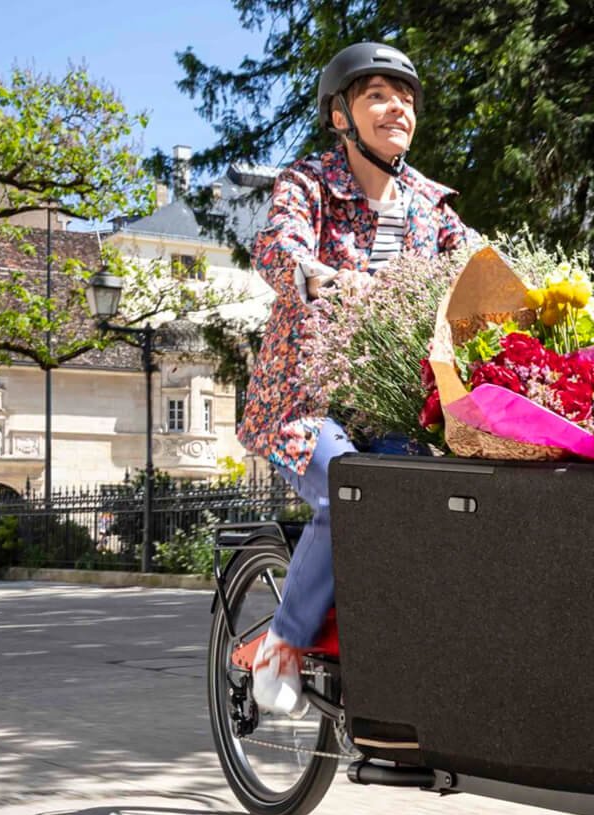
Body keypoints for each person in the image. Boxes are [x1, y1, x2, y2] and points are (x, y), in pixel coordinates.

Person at [239, 42, 479, 717]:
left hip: (394, 408)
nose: (395, 105)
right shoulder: (309, 182)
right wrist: (314, 274)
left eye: (404, 95)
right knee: (348, 492)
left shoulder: (430, 206)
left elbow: (482, 268)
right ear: (341, 116)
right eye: (375, 93)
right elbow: (277, 244)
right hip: (302, 402)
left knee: (455, 506)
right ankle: (283, 643)